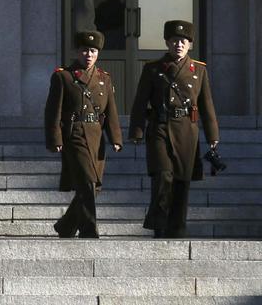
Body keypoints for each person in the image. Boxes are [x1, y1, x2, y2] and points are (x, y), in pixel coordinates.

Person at [129, 20, 219, 238]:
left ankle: (177, 228)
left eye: (183, 41)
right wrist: (137, 131)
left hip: (187, 131)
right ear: (167, 43)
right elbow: (140, 102)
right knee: (163, 175)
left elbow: (206, 105)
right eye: (174, 40)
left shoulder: (198, 70)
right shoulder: (152, 68)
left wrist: (212, 135)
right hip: (160, 128)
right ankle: (159, 224)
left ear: (190, 44)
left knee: (181, 182)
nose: (179, 45)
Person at [44, 30, 123, 238]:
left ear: (98, 54)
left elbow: (111, 111)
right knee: (88, 181)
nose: (89, 55)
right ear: (78, 51)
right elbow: (53, 111)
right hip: (75, 133)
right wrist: (55, 138)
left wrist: (115, 138)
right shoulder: (63, 76)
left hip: (96, 136)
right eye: (85, 50)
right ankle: (89, 229)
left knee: (94, 186)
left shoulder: (104, 78)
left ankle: (66, 225)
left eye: (93, 51)